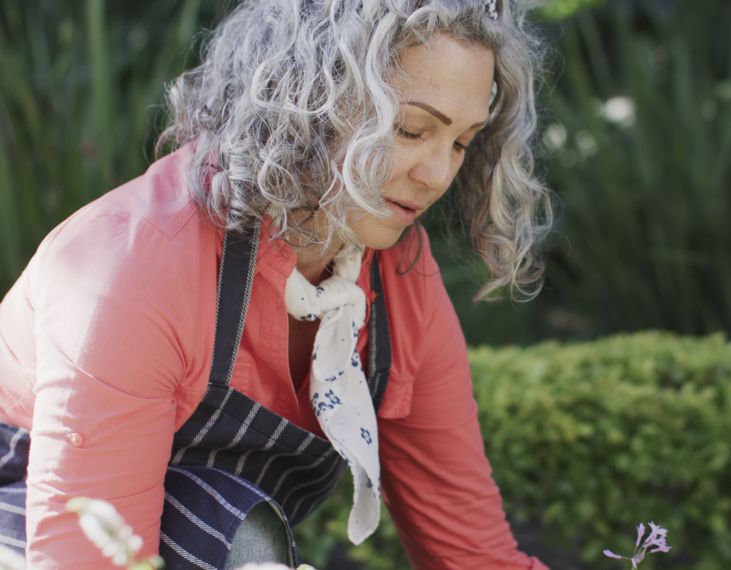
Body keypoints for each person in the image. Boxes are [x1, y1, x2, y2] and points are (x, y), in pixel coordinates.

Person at [0, 0, 552, 568]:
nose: (437, 174)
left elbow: (475, 556)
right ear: (309, 98)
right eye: (410, 130)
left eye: (461, 142)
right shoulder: (135, 267)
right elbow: (81, 557)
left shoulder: (400, 279)